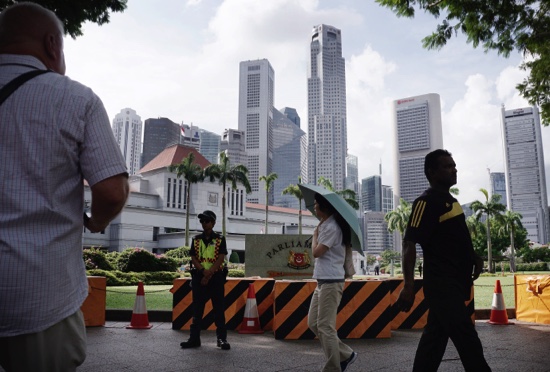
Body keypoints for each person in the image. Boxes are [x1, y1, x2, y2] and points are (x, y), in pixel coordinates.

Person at [0, 3, 129, 371]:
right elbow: (112, 191)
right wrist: (96, 223)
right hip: (39, 294)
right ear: (53, 44)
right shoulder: (74, 98)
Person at [397, 149, 491, 372]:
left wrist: (473, 257)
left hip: (455, 284)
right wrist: (408, 285)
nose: (454, 169)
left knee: (433, 342)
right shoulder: (425, 201)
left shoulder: (452, 201)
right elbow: (409, 243)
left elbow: (455, 239)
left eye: (454, 165)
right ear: (432, 172)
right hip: (442, 284)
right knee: (468, 340)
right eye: (447, 166)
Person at [308, 193, 357, 372]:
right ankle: (345, 354)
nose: (314, 207)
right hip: (323, 281)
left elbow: (316, 252)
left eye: (316, 204)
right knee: (314, 323)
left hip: (331, 281)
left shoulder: (332, 227)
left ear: (324, 207)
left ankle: (333, 368)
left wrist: (314, 235)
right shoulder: (327, 225)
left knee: (325, 326)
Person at [180, 210, 230, 350]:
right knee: (197, 310)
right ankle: (194, 338)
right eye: (202, 221)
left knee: (219, 309)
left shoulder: (220, 239)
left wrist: (208, 275)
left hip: (216, 278)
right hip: (199, 277)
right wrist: (203, 272)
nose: (204, 223)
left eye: (206, 221)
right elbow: (193, 258)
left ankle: (222, 339)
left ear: (213, 223)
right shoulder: (196, 239)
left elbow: (221, 258)